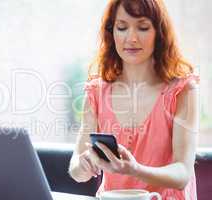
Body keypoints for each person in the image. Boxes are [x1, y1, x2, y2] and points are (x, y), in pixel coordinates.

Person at [68, 0, 200, 199]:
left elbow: (183, 173)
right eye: (122, 27)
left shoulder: (182, 90)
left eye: (143, 27)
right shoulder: (96, 91)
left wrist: (135, 169)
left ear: (159, 33)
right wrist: (84, 165)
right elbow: (76, 170)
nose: (131, 38)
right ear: (112, 33)